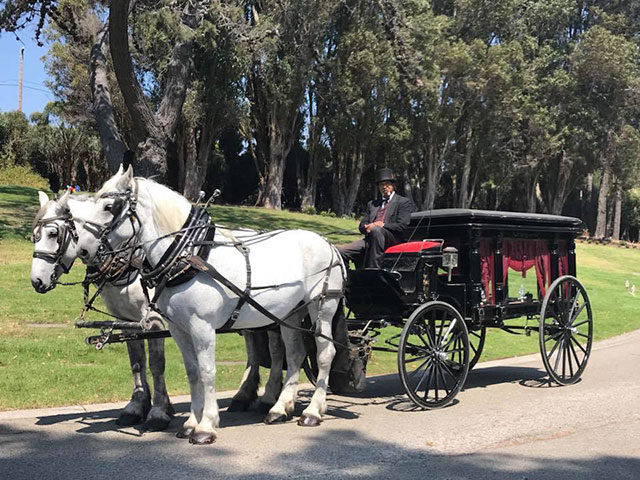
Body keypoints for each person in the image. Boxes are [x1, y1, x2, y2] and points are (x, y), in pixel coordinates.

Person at [339, 167, 414, 269]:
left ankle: (373, 270)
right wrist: (366, 227)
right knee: (341, 252)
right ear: (378, 187)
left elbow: (402, 225)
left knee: (377, 230)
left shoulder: (403, 202)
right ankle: (349, 277)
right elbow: (361, 226)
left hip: (393, 239)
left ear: (393, 185)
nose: (384, 187)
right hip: (370, 238)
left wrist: (382, 225)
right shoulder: (372, 204)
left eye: (387, 184)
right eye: (381, 185)